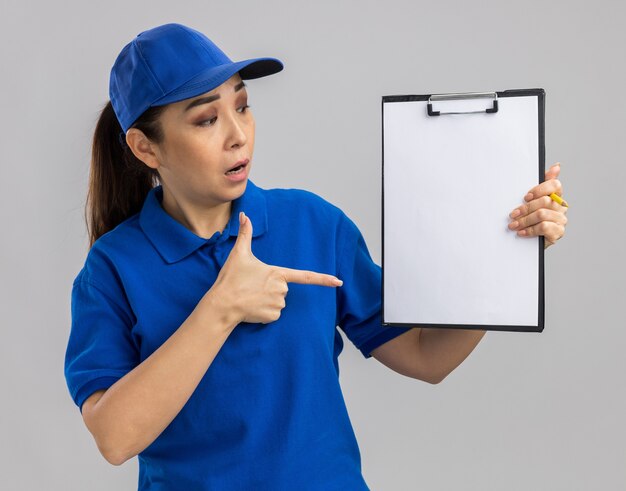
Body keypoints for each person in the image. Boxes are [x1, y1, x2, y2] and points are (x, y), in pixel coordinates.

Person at [64, 23, 569, 490]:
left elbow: (425, 355)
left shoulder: (312, 224)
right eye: (206, 119)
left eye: (242, 105)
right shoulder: (112, 269)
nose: (238, 134)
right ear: (145, 148)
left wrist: (503, 255)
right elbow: (114, 437)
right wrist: (220, 309)